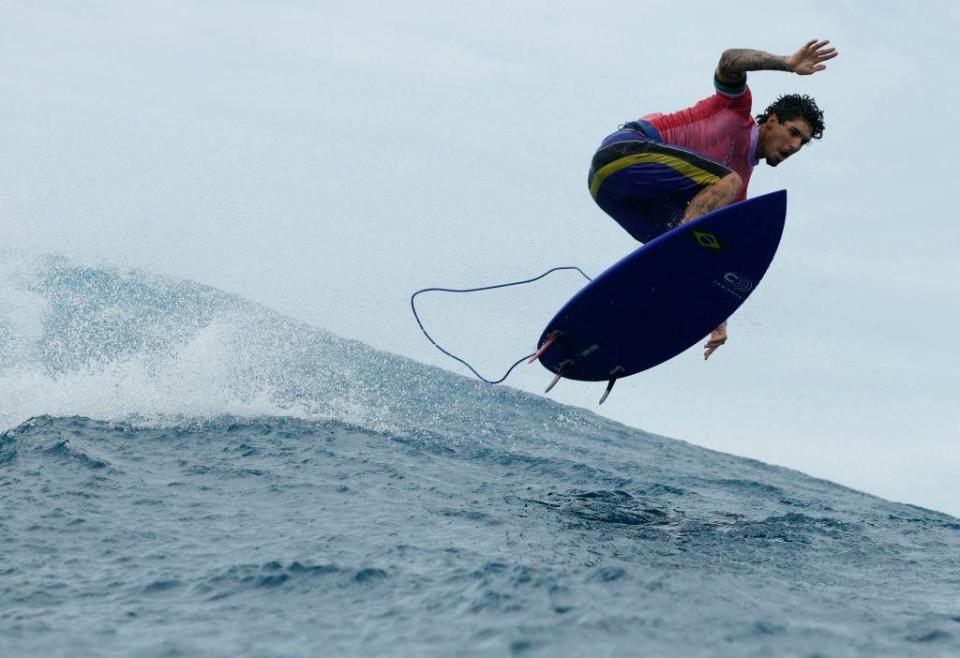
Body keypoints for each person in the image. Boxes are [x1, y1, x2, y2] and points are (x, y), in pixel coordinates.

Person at [588, 39, 837, 360]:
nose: (795, 146)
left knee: (701, 246)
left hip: (611, 194)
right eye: (793, 132)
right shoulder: (735, 110)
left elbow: (715, 258)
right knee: (718, 195)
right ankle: (677, 250)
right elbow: (729, 60)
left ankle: (616, 323)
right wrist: (786, 63)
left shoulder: (733, 193)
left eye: (802, 142)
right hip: (622, 155)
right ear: (772, 120)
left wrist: (716, 318)